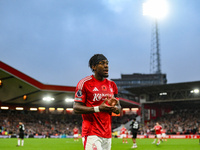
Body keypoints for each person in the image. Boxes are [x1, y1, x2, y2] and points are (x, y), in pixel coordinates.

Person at [73, 54, 121, 150]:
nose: (106, 65)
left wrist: (115, 108)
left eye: (107, 63)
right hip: (91, 132)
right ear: (93, 67)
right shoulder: (85, 83)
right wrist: (98, 108)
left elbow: (119, 108)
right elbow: (76, 108)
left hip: (107, 133)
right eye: (102, 63)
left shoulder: (112, 85)